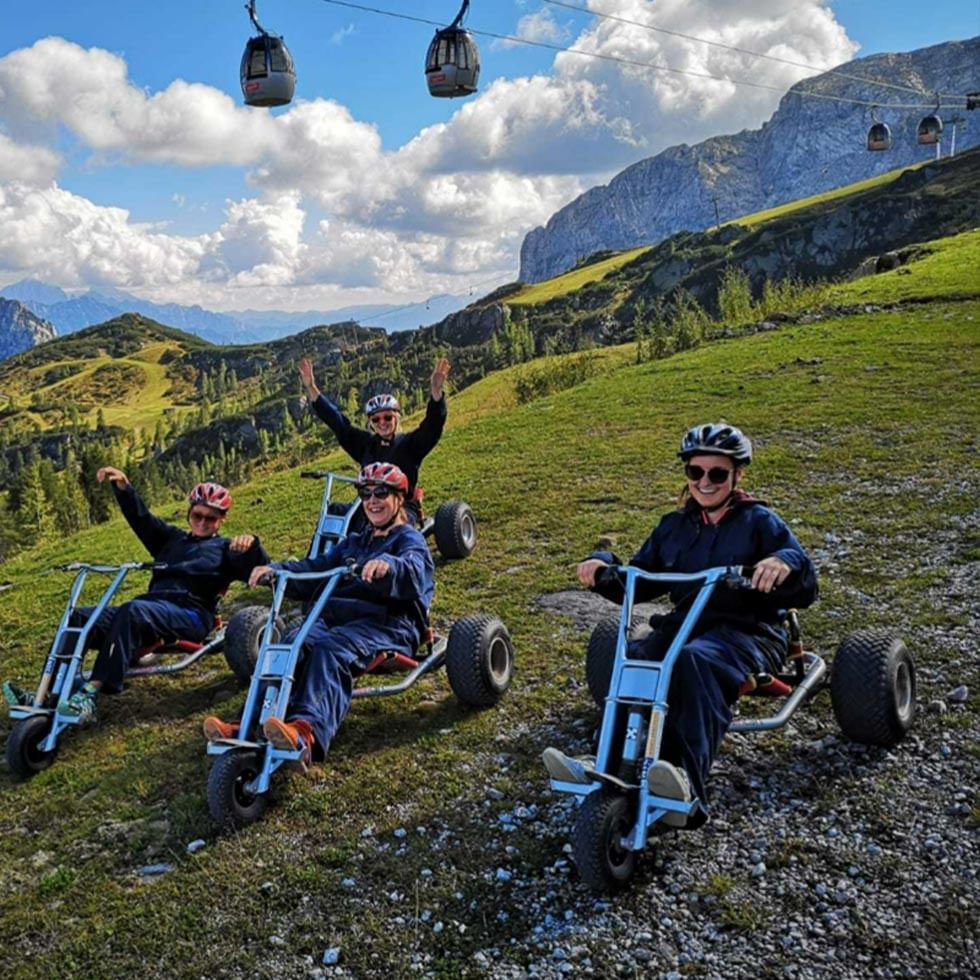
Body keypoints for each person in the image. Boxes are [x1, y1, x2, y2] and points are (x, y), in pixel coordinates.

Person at [542, 422, 818, 827]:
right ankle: (607, 761)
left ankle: (688, 785)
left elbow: (805, 581)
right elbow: (637, 579)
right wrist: (602, 563)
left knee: (692, 663)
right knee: (638, 657)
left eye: (717, 474)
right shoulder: (674, 527)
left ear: (737, 475)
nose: (705, 482)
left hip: (748, 631)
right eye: (696, 472)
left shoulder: (759, 521)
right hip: (685, 625)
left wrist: (783, 563)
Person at [203, 462, 435, 767]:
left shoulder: (408, 540)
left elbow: (415, 568)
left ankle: (305, 734)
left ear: (399, 498)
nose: (373, 501)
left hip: (389, 623)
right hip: (340, 618)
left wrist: (389, 567)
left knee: (331, 649)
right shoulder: (356, 542)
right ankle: (252, 724)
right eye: (365, 494)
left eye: (381, 492)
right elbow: (315, 567)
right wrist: (277, 571)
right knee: (290, 642)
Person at [3, 467, 269, 723]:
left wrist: (252, 546)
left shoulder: (227, 548)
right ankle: (45, 694)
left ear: (221, 520)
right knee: (79, 617)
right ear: (189, 513)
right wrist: (123, 487)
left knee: (133, 609)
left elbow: (262, 571)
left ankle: (90, 695)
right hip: (151, 610)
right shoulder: (172, 540)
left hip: (192, 614)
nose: (202, 522)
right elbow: (142, 520)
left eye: (210, 518)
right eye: (197, 515)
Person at [298, 356, 451, 519]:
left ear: (397, 418)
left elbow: (432, 425)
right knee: (333, 512)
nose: (382, 423)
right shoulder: (366, 443)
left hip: (401, 508)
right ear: (370, 423)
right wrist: (311, 387)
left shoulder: (410, 444)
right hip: (370, 505)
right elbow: (338, 422)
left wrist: (436, 391)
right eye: (376, 419)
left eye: (387, 417)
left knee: (384, 529)